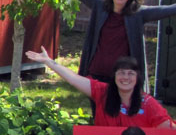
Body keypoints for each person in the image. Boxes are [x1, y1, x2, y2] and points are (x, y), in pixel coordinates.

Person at [35, 0, 176, 90]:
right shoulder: (99, 6)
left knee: (120, 114)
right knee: (98, 114)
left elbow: (168, 10)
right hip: (96, 75)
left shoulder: (138, 13)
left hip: (122, 79)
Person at [25, 48, 174, 128]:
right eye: (121, 73)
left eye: (130, 74)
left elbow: (167, 132)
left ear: (137, 78)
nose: (125, 78)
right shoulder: (103, 91)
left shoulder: (148, 103)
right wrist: (49, 62)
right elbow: (74, 79)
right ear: (114, 76)